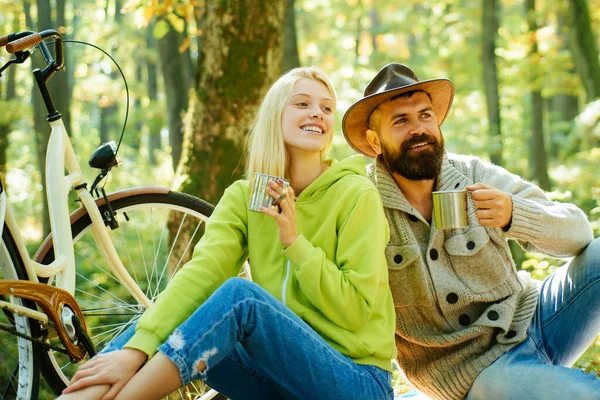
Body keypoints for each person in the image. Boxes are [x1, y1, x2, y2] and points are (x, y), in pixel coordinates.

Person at [58, 66, 396, 400]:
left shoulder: (356, 194)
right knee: (182, 307)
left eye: (326, 107)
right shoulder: (246, 197)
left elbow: (356, 309)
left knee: (241, 298)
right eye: (302, 103)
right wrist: (136, 349)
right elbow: (202, 274)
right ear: (275, 115)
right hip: (280, 378)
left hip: (356, 380)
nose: (318, 114)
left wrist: (294, 241)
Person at [342, 63, 600, 400]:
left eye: (425, 115)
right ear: (375, 141)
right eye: (401, 121)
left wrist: (513, 213)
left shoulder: (472, 173)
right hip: (472, 376)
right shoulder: (363, 203)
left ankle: (538, 379)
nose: (419, 129)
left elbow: (579, 233)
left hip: (534, 321)